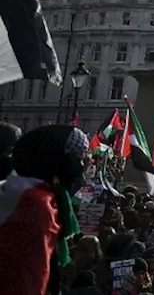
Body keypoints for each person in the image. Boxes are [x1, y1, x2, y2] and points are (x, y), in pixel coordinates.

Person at [0, 124, 90, 295]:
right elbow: (27, 280)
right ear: (56, 159)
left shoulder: (20, 192)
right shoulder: (35, 204)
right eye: (79, 157)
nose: (82, 166)